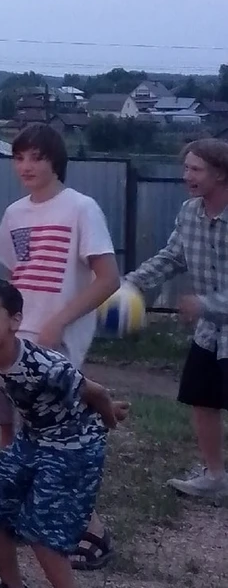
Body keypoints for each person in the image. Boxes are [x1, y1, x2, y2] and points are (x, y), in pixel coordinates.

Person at [0, 124, 120, 567]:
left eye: (35, 157)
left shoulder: (81, 208)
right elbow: (11, 280)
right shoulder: (16, 213)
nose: (26, 166)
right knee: (10, 430)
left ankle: (91, 530)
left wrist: (59, 320)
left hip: (55, 344)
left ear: (54, 160)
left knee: (57, 442)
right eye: (19, 158)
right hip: (11, 343)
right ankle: (9, 514)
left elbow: (109, 278)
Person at [0, 278, 126, 588]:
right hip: (33, 439)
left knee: (44, 530)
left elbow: (95, 392)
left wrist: (109, 418)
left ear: (15, 321)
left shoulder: (45, 365)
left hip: (74, 447)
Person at [122, 138, 228, 502]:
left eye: (195, 169)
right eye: (185, 168)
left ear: (221, 173)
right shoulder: (189, 213)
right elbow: (171, 258)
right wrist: (129, 285)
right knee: (203, 399)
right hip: (209, 332)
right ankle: (215, 477)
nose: (187, 176)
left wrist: (207, 303)